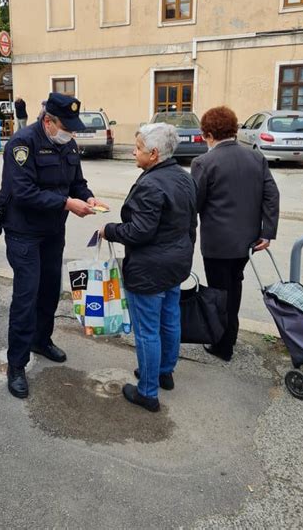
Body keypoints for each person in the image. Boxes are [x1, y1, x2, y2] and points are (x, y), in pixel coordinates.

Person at [0, 92, 107, 399]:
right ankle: (16, 365)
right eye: (65, 126)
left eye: (72, 127)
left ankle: (41, 340)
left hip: (52, 231)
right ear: (48, 120)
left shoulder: (67, 143)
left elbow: (77, 183)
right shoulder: (22, 144)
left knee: (49, 290)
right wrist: (67, 203)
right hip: (24, 233)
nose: (70, 133)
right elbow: (24, 192)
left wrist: (87, 197)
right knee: (26, 296)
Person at [100, 124, 197, 413]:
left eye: (138, 147)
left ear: (154, 154)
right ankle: (164, 372)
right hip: (175, 263)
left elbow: (138, 232)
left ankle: (147, 392)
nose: (133, 151)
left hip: (150, 269)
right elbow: (190, 222)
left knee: (147, 331)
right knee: (169, 319)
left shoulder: (150, 184)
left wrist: (110, 229)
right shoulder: (183, 176)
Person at [191, 106, 280, 362]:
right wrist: (268, 231)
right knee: (234, 288)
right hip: (248, 241)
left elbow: (194, 202)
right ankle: (229, 336)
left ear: (207, 134)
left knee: (220, 293)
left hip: (218, 243)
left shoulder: (203, 162)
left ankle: (222, 344)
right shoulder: (255, 157)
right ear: (235, 129)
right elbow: (271, 195)